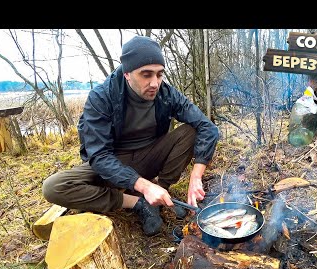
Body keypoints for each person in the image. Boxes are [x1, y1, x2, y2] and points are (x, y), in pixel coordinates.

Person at [42, 36, 219, 236]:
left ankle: (160, 193)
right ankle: (137, 203)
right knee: (54, 187)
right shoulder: (101, 97)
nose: (155, 83)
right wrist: (143, 186)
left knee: (191, 131)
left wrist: (196, 176)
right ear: (127, 74)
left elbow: (207, 127)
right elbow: (99, 156)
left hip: (150, 155)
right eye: (146, 75)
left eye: (160, 74)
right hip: (115, 163)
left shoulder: (166, 93)